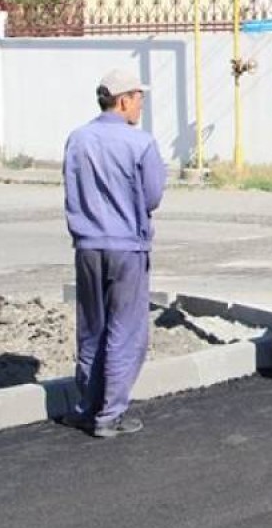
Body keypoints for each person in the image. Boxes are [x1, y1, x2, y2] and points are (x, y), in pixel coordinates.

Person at [62, 68, 166, 438]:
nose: (141, 105)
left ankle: (85, 407)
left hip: (88, 246)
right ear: (123, 100)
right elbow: (153, 196)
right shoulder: (140, 144)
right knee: (125, 330)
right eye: (139, 97)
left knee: (92, 328)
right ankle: (110, 415)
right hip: (127, 247)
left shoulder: (77, 139)